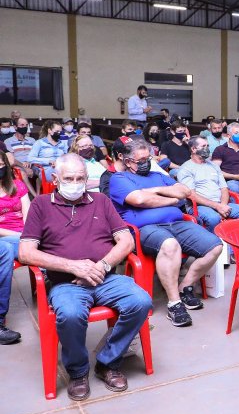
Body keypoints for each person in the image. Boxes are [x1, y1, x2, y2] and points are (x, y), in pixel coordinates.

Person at [19, 153, 153, 400]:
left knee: (140, 301)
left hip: (106, 276)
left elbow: (126, 240)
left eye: (80, 178)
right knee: (70, 314)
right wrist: (74, 267)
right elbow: (26, 253)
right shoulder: (41, 205)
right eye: (68, 178)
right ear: (56, 179)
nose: (75, 183)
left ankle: (108, 362)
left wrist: (101, 266)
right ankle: (78, 372)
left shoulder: (100, 201)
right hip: (66, 282)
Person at [109, 138, 223, 327]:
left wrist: (156, 190)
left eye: (148, 158)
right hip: (145, 229)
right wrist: (169, 198)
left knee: (215, 246)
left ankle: (184, 287)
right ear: (128, 162)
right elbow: (138, 200)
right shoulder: (119, 179)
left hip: (177, 223)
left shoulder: (158, 176)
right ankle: (174, 303)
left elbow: (184, 192)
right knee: (170, 245)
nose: (146, 163)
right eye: (141, 160)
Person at [178, 136, 239, 239]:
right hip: (199, 206)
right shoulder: (186, 168)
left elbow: (224, 188)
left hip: (221, 204)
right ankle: (214, 247)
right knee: (213, 218)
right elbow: (192, 195)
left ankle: (237, 245)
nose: (207, 148)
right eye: (203, 146)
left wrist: (222, 206)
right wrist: (217, 207)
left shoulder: (213, 166)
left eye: (208, 145)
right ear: (193, 149)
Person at [0, 151, 30, 344]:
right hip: (5, 237)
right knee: (6, 249)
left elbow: (28, 214)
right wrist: (22, 237)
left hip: (24, 234)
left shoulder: (17, 185)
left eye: (0, 164)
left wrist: (29, 234)